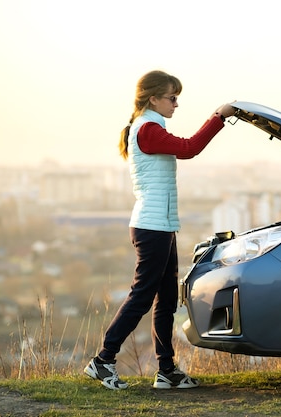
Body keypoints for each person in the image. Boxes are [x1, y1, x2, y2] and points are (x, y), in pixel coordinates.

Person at [84, 70, 236, 390]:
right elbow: (191, 147)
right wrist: (219, 117)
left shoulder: (149, 128)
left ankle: (166, 370)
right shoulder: (148, 130)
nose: (176, 104)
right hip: (152, 228)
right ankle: (103, 360)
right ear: (153, 98)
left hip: (162, 226)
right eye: (172, 97)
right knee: (141, 298)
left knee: (166, 300)